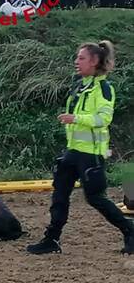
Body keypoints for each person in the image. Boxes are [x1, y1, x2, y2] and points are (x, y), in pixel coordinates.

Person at [26, 40, 134, 255]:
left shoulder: (103, 88)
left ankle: (129, 230)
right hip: (73, 151)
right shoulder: (79, 86)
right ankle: (51, 239)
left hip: (92, 153)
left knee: (95, 198)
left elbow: (104, 118)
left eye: (81, 58)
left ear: (94, 62)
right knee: (60, 194)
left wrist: (75, 118)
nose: (76, 61)